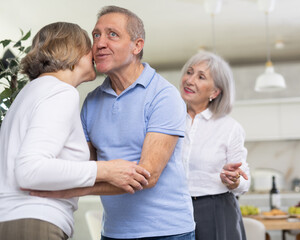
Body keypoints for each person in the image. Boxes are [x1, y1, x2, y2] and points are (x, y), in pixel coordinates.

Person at [30, 6, 195, 240]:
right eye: (96, 35)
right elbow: (81, 165)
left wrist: (69, 189)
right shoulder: (91, 101)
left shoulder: (163, 95)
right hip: (113, 233)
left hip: (167, 232)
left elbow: (147, 176)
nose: (99, 43)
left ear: (137, 46)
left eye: (112, 34)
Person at [0, 22, 150, 240]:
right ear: (72, 49)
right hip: (35, 222)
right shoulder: (60, 92)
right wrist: (106, 170)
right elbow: (30, 170)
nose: (96, 49)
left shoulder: (31, 92)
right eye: (90, 43)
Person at [179, 51, 250, 240]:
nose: (190, 80)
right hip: (175, 209)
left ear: (215, 92)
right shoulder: (169, 120)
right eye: (189, 72)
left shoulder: (229, 128)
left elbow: (244, 180)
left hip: (216, 210)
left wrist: (234, 180)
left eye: (201, 77)